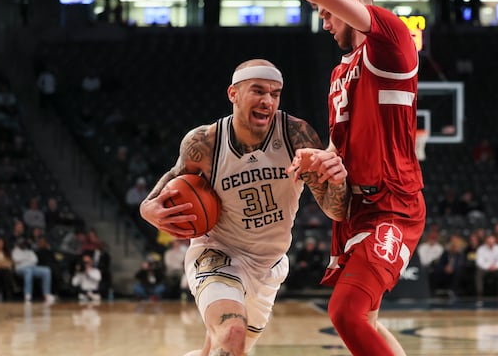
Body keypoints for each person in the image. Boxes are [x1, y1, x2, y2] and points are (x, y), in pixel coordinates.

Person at [241, 0, 425, 355]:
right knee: (366, 321)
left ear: (351, 1)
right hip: (358, 207)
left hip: (392, 205)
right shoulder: (340, 72)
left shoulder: (391, 40)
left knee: (347, 312)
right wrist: (320, 158)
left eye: (327, 14)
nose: (324, 22)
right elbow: (339, 148)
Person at [139, 59, 348, 356]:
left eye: (275, 94)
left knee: (224, 350)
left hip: (269, 264)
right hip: (219, 253)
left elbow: (335, 211)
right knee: (232, 334)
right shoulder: (205, 142)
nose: (267, 101)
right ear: (233, 94)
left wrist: (338, 181)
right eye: (258, 91)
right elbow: (172, 180)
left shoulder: (296, 135)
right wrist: (147, 208)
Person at [11, 237, 55, 304]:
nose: (23, 245)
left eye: (24, 243)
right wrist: (27, 260)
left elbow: (35, 260)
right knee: (28, 271)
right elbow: (16, 260)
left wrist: (24, 261)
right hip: (20, 269)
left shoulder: (29, 251)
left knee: (46, 270)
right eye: (21, 243)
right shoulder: (15, 251)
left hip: (32, 267)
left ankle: (46, 294)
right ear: (18, 244)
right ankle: (28, 295)